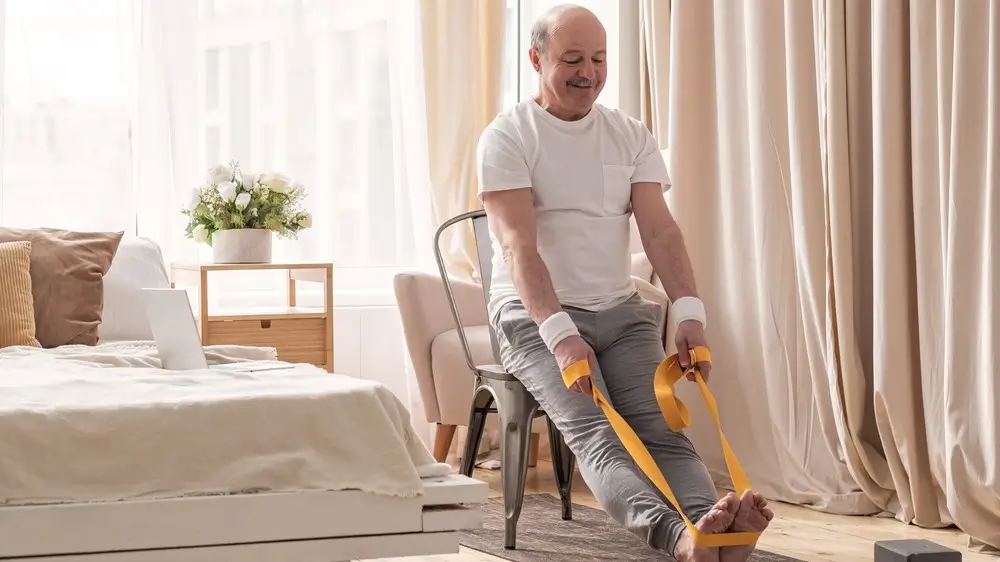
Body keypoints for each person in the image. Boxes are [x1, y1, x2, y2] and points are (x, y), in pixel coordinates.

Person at [475, 4, 772, 562]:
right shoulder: (507, 137)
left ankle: (716, 537)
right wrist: (562, 336)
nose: (588, 72)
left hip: (620, 311)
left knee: (664, 434)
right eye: (572, 59)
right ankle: (681, 540)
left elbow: (659, 230)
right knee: (599, 437)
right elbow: (519, 248)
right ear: (536, 58)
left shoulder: (629, 134)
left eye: (598, 58)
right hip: (534, 318)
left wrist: (689, 314)